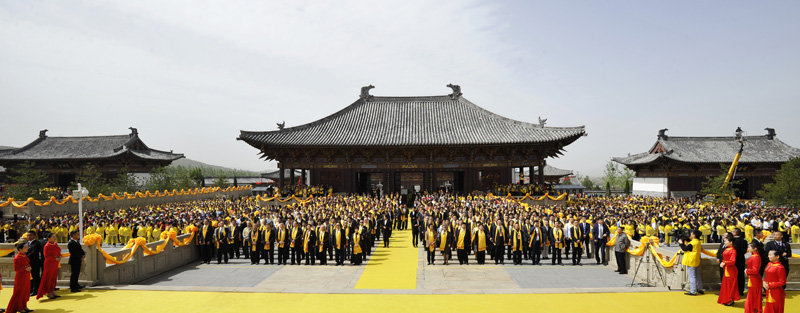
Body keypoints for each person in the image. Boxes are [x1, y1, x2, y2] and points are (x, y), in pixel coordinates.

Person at [6, 242, 33, 313]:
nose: (27, 248)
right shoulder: (17, 258)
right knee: (20, 291)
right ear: (20, 249)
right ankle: (19, 307)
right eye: (25, 247)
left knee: (25, 291)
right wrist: (25, 269)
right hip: (21, 276)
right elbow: (16, 269)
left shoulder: (24, 255)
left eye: (27, 247)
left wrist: (28, 268)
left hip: (26, 275)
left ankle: (24, 305)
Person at [679, 230, 704, 296]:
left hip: (691, 261)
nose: (690, 234)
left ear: (694, 235)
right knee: (698, 275)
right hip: (696, 260)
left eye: (691, 234)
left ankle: (693, 291)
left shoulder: (692, 243)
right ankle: (700, 289)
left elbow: (685, 248)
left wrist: (681, 243)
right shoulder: (698, 242)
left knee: (692, 276)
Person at [36, 233, 61, 300]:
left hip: (55, 263)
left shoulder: (55, 244)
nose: (54, 238)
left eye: (55, 237)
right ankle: (48, 291)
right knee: (48, 278)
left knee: (54, 277)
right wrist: (55, 258)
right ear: (48, 238)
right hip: (49, 263)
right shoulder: (46, 246)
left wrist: (59, 256)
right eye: (53, 237)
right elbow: (46, 256)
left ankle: (52, 290)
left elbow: (58, 251)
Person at [717, 234, 739, 306]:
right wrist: (723, 262)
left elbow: (732, 261)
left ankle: (730, 299)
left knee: (730, 285)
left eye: (726, 241)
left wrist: (724, 263)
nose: (725, 243)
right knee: (726, 285)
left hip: (731, 270)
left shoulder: (733, 250)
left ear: (731, 242)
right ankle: (726, 299)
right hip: (727, 268)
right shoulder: (727, 249)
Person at [744, 242, 762, 313]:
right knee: (752, 296)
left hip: (755, 279)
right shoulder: (754, 255)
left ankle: (753, 310)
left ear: (755, 248)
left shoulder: (756, 257)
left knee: (753, 296)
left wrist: (747, 271)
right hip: (752, 278)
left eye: (750, 247)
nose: (748, 248)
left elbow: (755, 270)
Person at [25, 231, 43, 297]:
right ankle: (30, 289)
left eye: (30, 235)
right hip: (28, 263)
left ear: (34, 236)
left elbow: (34, 252)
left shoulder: (37, 243)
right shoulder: (27, 243)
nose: (28, 237)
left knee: (35, 276)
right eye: (27, 235)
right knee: (30, 277)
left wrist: (25, 257)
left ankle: (36, 290)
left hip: (35, 262)